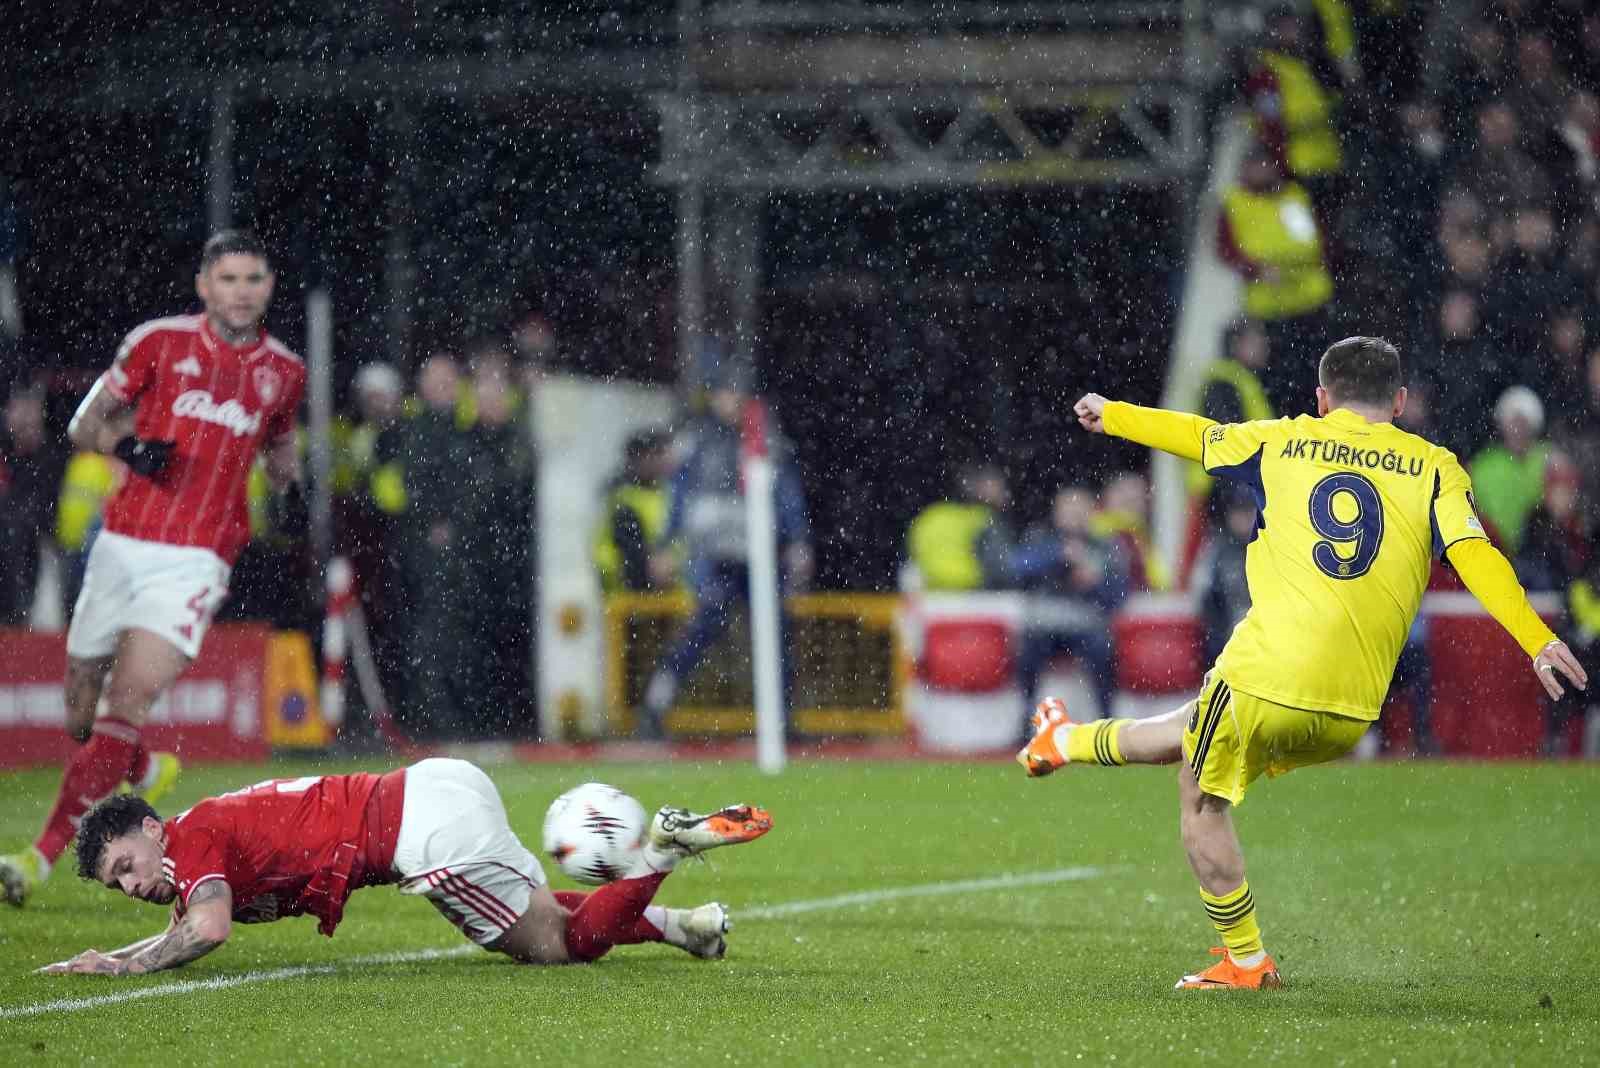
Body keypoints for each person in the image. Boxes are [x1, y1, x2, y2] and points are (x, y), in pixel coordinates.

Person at [1018, 337, 1587, 990]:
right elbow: (1475, 553)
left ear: (1322, 399)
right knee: (1199, 724)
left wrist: (1113, 414)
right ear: (1398, 402)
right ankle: (1059, 741)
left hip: (1269, 673)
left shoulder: (1284, 441)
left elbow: (1201, 438)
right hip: (1351, 712)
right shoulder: (1436, 467)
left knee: (1199, 793)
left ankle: (1244, 961)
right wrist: (1535, 637)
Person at [0, 230, 306, 908]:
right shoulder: (157, 342)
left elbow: (281, 447)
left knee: (124, 704)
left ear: (269, 286)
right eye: (227, 279)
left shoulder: (284, 371)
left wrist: (292, 488)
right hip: (121, 543)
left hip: (196, 562)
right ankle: (146, 765)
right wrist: (130, 449)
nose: (241, 291)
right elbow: (83, 425)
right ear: (204, 286)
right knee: (81, 711)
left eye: (253, 278)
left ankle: (36, 858)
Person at [36, 758, 772, 975]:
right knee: (547, 907)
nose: (133, 886)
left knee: (560, 946)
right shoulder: (195, 838)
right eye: (118, 884)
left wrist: (132, 970)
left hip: (420, 835)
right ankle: (684, 929)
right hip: (436, 784)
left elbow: (209, 927)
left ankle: (658, 851)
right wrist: (105, 956)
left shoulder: (191, 846)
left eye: (128, 864)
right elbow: (182, 921)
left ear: (150, 828)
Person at [636, 362, 813, 739]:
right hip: (714, 557)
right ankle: (655, 705)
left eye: (736, 391)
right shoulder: (698, 442)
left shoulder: (767, 440)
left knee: (774, 633)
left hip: (760, 557)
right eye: (723, 391)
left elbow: (787, 494)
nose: (730, 400)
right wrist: (667, 545)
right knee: (700, 631)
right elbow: (679, 499)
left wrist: (798, 540)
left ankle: (781, 721)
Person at [1011, 486, 1128, 733]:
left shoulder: (1105, 545)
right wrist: (1058, 557)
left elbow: (1119, 594)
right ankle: (1024, 722)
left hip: (1086, 626)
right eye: (1068, 509)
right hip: (1044, 624)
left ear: (1091, 512)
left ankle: (1107, 721)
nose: (1074, 516)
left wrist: (1095, 582)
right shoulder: (1039, 538)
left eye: (1080, 509)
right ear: (1056, 512)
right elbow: (1016, 568)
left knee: (1103, 651)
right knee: (1026, 651)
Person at [1469, 385, 1553, 555]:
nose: (1518, 428)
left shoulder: (1548, 458)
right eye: (1513, 421)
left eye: (1523, 422)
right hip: (1492, 549)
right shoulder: (1483, 465)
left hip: (1539, 551)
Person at [905, 463, 1016, 591]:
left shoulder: (927, 518)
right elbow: (1002, 567)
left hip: (932, 596)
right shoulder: (982, 518)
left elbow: (909, 562)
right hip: (971, 594)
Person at [594, 427, 676, 593]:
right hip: (628, 594)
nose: (665, 461)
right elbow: (624, 549)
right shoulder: (622, 498)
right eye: (658, 454)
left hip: (668, 593)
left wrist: (673, 561)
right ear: (641, 458)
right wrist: (649, 566)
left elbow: (680, 539)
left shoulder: (668, 492)